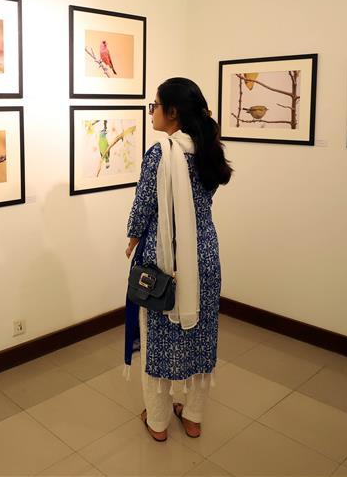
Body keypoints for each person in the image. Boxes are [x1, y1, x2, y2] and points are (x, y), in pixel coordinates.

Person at [123, 77, 233, 442]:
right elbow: (209, 195)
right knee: (200, 334)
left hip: (162, 260)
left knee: (158, 338)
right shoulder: (207, 150)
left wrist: (133, 237)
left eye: (154, 104)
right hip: (204, 256)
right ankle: (194, 416)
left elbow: (144, 205)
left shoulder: (160, 154)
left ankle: (157, 421)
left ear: (172, 112)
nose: (150, 110)